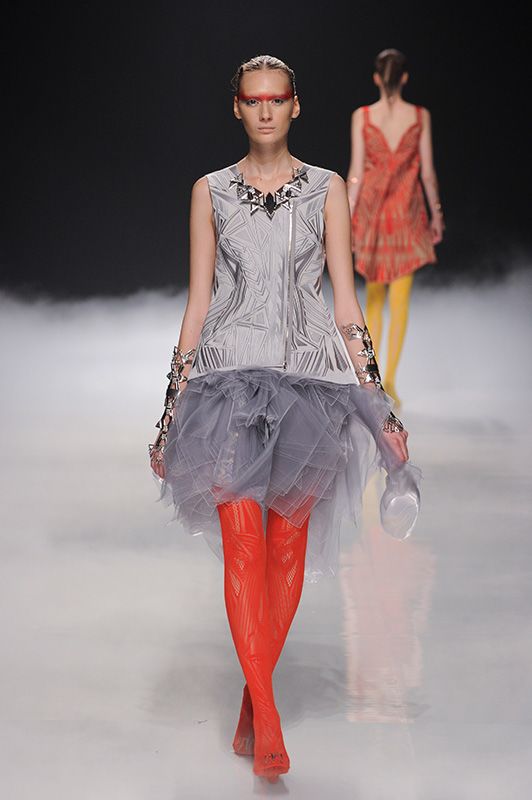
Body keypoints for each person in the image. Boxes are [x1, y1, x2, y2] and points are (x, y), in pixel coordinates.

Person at [148, 55, 421, 781]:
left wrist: (379, 405)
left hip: (309, 385)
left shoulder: (329, 189)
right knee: (244, 547)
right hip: (227, 385)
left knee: (287, 550)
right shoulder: (210, 192)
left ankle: (253, 693)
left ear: (295, 106)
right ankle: (267, 719)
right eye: (253, 100)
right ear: (237, 107)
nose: (265, 111)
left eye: (277, 100)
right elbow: (198, 303)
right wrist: (169, 414)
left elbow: (345, 305)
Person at [347, 49, 444, 407]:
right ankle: (391, 381)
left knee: (374, 298)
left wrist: (345, 216)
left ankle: (373, 382)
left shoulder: (362, 116)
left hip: (372, 214)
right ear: (404, 78)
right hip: (407, 214)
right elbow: (427, 173)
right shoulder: (419, 116)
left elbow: (356, 174)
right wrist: (437, 214)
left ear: (376, 78)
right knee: (400, 299)